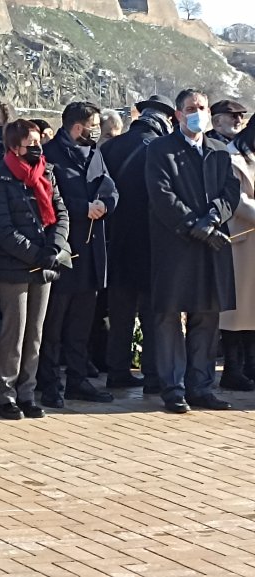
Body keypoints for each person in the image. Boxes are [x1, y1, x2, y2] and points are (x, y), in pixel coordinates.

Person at [147, 89, 241, 414]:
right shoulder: (160, 149)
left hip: (211, 245)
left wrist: (213, 218)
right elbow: (161, 194)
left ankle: (201, 386)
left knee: (207, 314)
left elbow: (231, 190)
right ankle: (173, 388)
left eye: (201, 107)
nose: (197, 113)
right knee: (170, 316)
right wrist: (192, 225)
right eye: (190, 108)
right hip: (175, 245)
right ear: (177, 114)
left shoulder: (219, 150)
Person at [37, 102, 118, 408]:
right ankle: (48, 382)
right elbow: (46, 198)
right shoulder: (50, 155)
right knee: (54, 324)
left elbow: (110, 187)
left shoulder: (95, 153)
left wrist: (105, 204)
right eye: (93, 125)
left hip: (92, 251)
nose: (96, 131)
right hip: (63, 252)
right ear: (78, 127)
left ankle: (77, 379)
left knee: (81, 324)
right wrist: (82, 208)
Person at [0, 119, 70, 420]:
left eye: (39, 141)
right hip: (14, 267)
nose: (37, 147)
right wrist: (36, 254)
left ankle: (27, 393)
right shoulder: (1, 176)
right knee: (14, 333)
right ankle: (6, 395)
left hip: (44, 265)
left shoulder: (47, 172)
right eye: (30, 143)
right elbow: (3, 227)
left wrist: (54, 247)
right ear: (14, 147)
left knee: (35, 333)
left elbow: (61, 214)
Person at [101, 95, 176, 393]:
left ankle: (117, 371)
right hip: (151, 242)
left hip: (115, 241)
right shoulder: (161, 149)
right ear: (165, 120)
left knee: (120, 312)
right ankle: (154, 375)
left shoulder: (111, 147)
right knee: (152, 313)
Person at [221, 123, 255, 390]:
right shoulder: (231, 157)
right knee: (236, 311)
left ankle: (250, 366)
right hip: (241, 240)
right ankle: (232, 369)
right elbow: (237, 200)